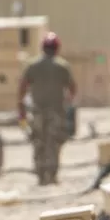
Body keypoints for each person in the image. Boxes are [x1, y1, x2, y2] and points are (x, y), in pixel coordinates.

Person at [18, 32, 78, 186]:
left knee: (39, 142)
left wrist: (21, 111)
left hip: (37, 111)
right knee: (54, 143)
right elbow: (72, 88)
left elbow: (22, 88)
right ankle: (52, 175)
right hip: (56, 112)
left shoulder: (32, 65)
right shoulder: (62, 66)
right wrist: (68, 103)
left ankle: (40, 175)